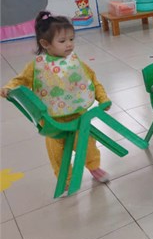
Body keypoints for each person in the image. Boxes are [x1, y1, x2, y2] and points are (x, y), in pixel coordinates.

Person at [0, 11, 111, 186]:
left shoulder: (74, 62)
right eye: (62, 41)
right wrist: (8, 88)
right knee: (57, 154)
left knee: (88, 145)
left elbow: (92, 79)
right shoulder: (37, 66)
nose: (69, 44)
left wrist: (103, 98)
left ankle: (94, 167)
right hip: (51, 121)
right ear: (45, 43)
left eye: (71, 39)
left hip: (78, 116)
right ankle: (65, 180)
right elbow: (20, 80)